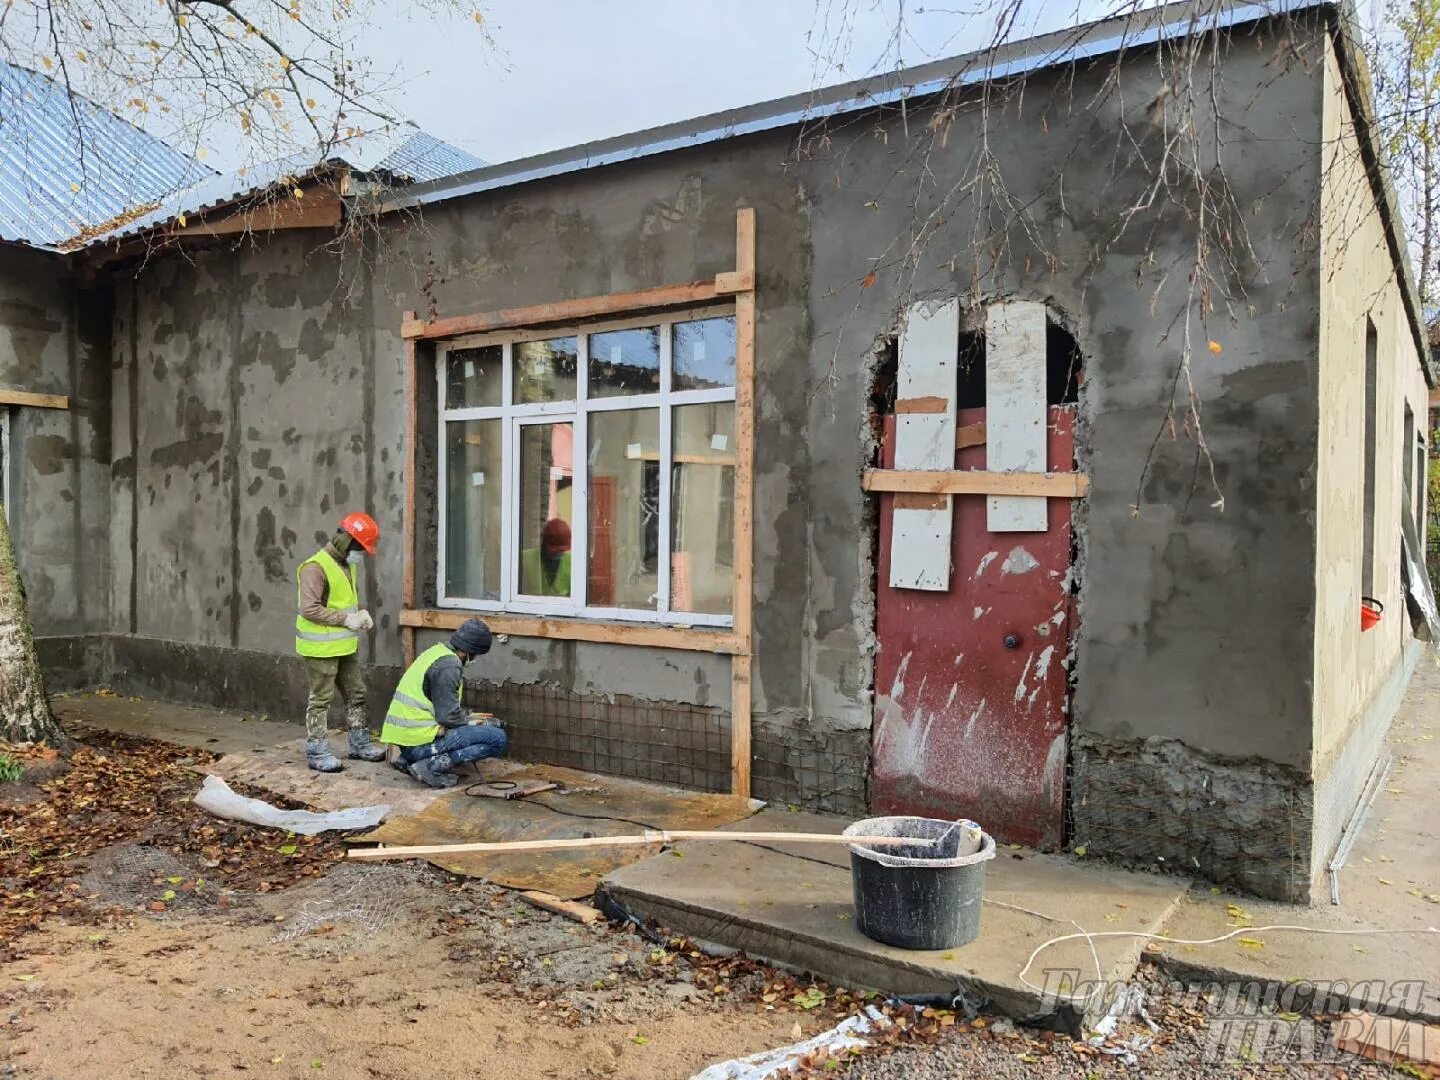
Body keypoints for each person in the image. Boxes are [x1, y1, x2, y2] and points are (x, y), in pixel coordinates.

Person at [294, 512, 387, 773]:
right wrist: (347, 619)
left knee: (357, 693)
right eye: (360, 548)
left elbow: (342, 599)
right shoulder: (315, 567)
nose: (362, 554)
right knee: (321, 699)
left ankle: (359, 744)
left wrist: (361, 612)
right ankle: (317, 751)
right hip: (319, 648)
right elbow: (309, 609)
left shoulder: (348, 564)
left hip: (344, 646)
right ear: (348, 541)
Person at [381, 618, 508, 788]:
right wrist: (473, 722)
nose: (475, 659)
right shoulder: (449, 666)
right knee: (497, 738)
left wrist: (468, 718)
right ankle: (431, 766)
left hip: (408, 739)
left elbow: (438, 704)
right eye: (476, 655)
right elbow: (448, 717)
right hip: (418, 742)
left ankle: (408, 760)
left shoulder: (437, 652)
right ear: (469, 651)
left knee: (485, 730)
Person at [519, 517, 572, 597]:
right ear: (543, 543)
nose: (557, 554)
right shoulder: (525, 559)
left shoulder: (572, 563)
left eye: (560, 550)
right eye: (554, 550)